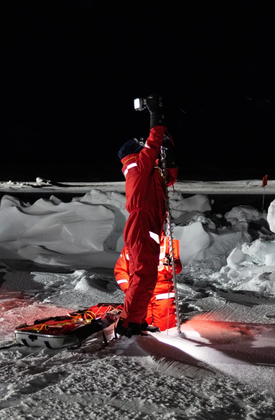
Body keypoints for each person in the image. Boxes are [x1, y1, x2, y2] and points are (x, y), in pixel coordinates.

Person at [115, 93, 178, 337]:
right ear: (135, 153)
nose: (146, 149)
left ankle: (135, 319)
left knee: (146, 275)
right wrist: (156, 116)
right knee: (143, 274)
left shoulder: (146, 173)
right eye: (141, 148)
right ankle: (128, 322)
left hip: (148, 224)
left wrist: (169, 152)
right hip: (142, 224)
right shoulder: (139, 169)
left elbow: (168, 177)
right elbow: (152, 144)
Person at [114, 234, 182, 331]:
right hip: (139, 292)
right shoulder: (131, 245)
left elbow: (177, 268)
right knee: (138, 328)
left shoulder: (168, 242)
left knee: (167, 329)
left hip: (162, 292)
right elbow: (120, 270)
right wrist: (129, 289)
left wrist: (172, 264)